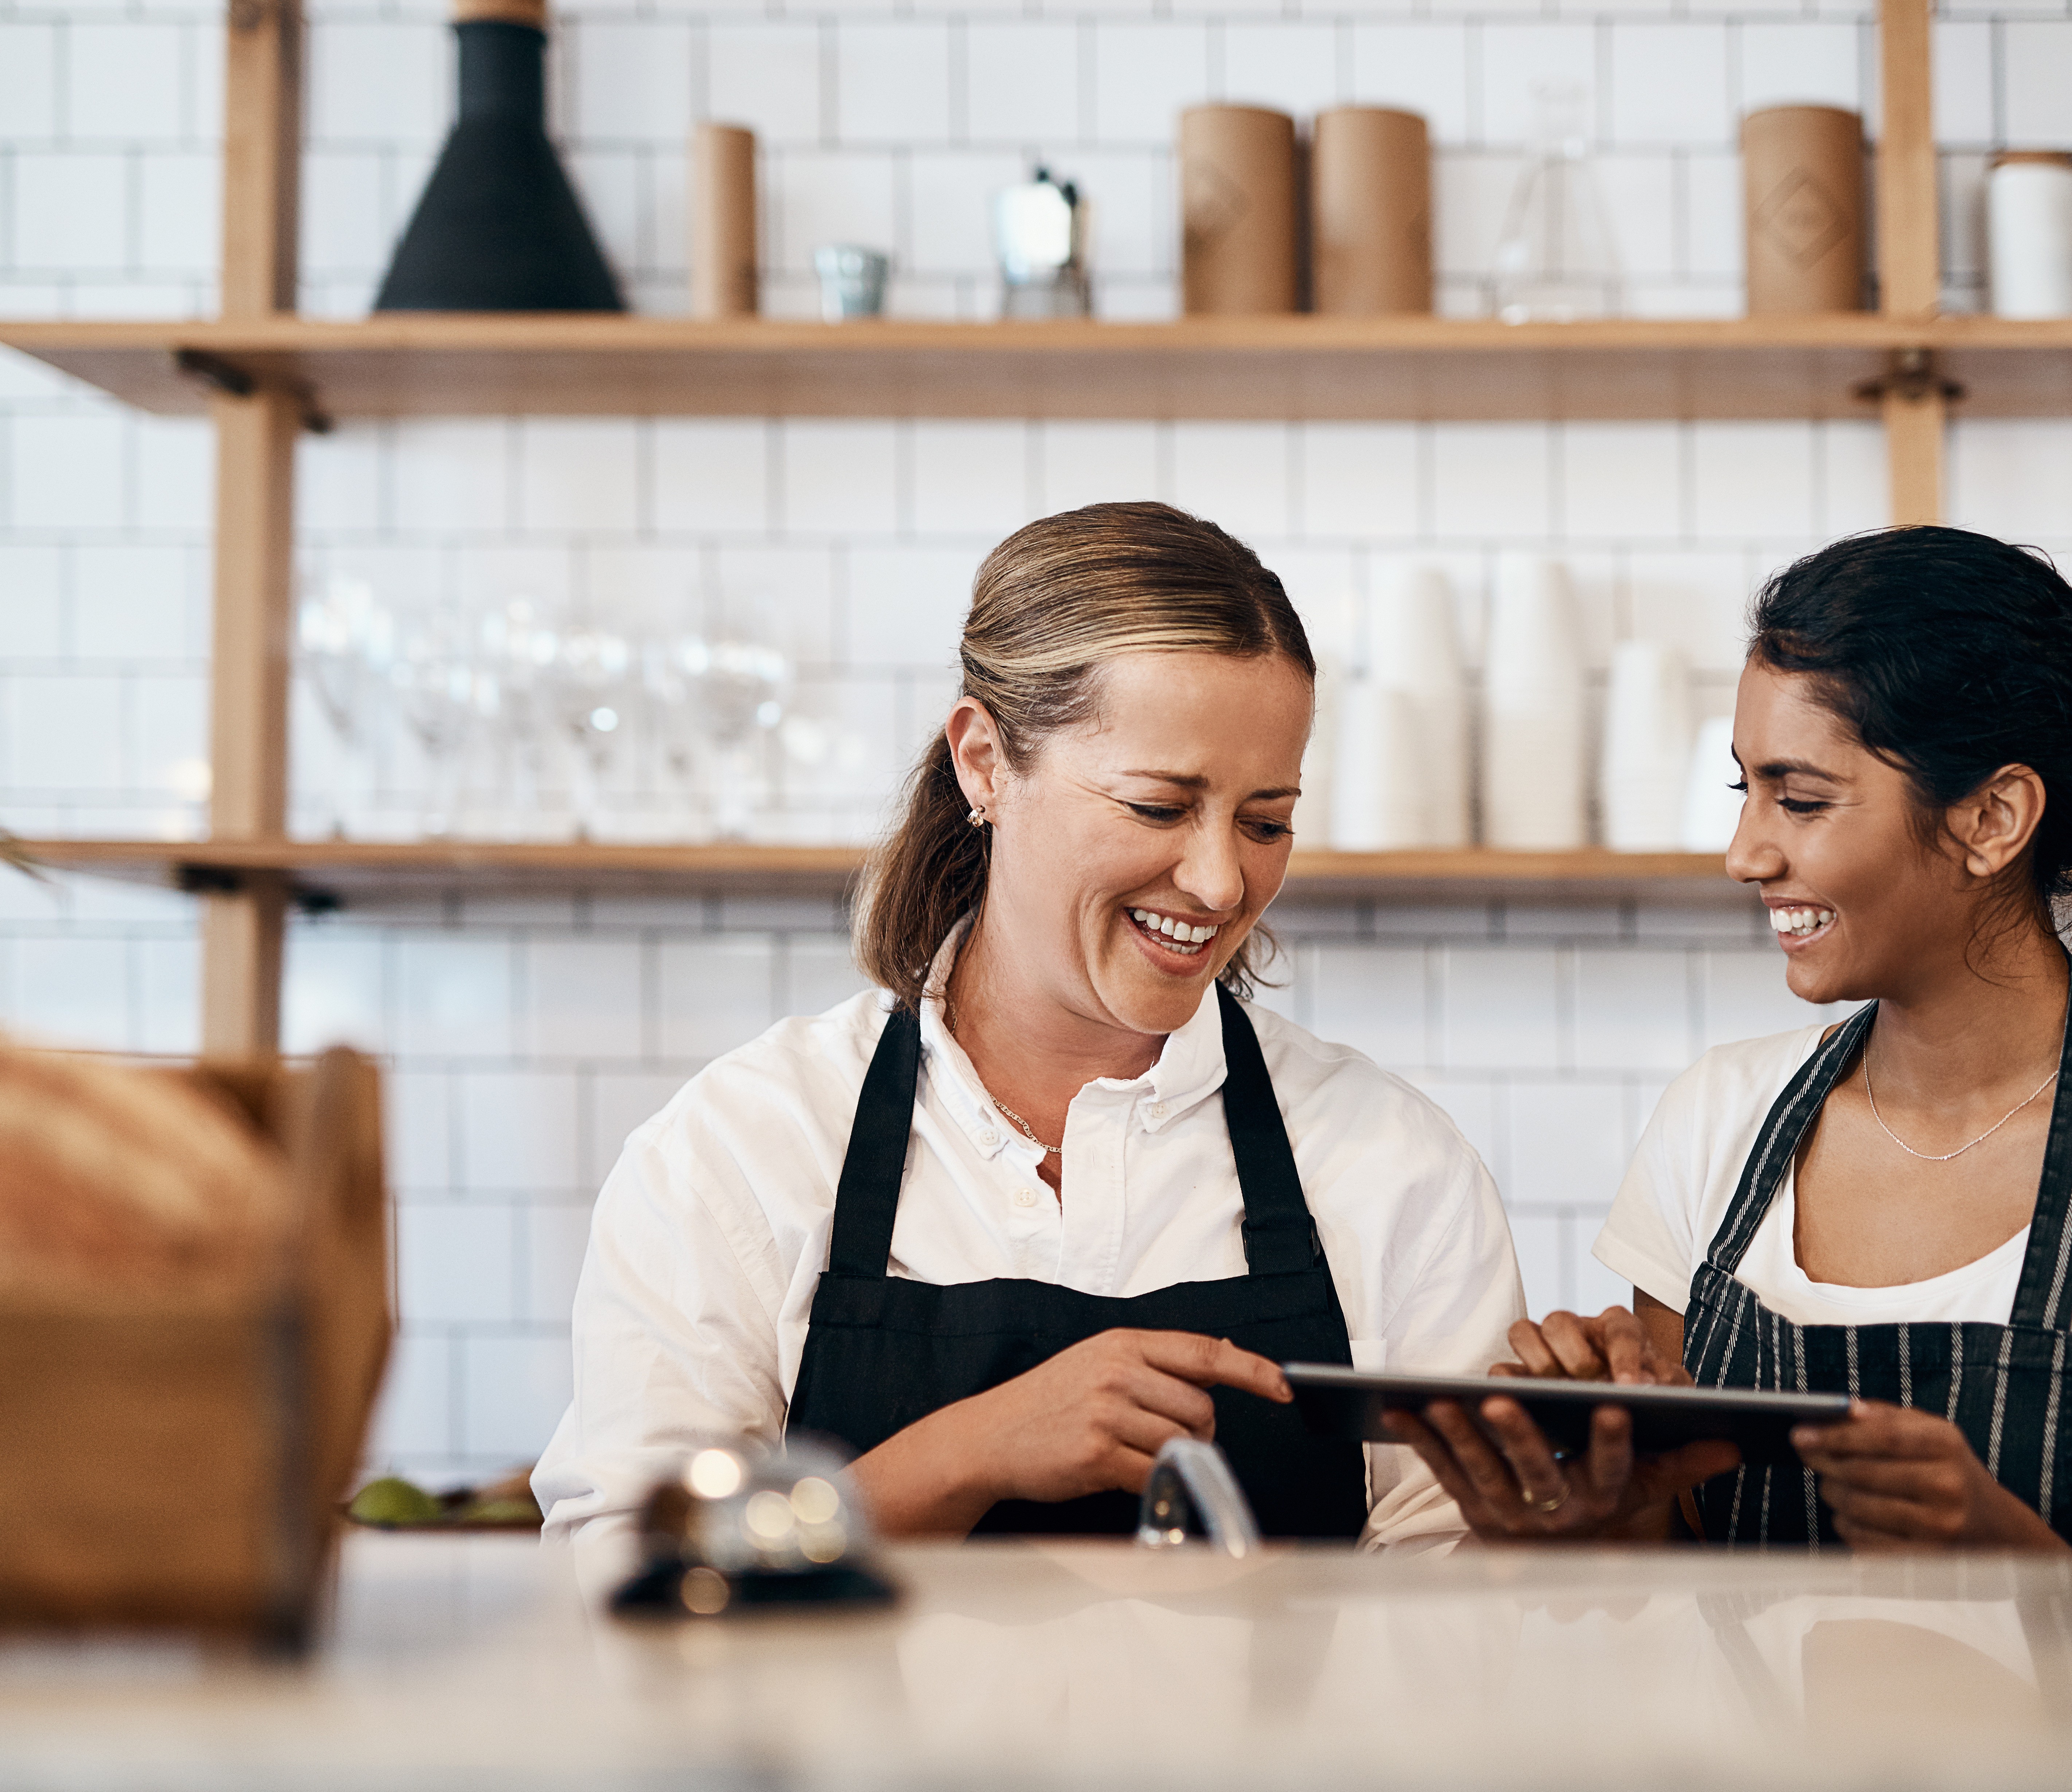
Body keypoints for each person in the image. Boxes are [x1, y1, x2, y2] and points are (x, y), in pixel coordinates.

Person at [536, 502, 1523, 1548]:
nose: (1221, 879)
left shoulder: (1390, 1165)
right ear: (984, 762)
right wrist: (967, 1453)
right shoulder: (745, 1150)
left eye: (1266, 821)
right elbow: (618, 1582)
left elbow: (1452, 1613)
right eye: (1158, 807)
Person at [1394, 526, 2072, 1552]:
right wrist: (1590, 1506)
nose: (1744, 853)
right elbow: (1659, 1585)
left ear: (1993, 817)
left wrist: (2007, 1557)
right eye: (1744, 790)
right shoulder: (1717, 1122)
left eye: (1799, 799)